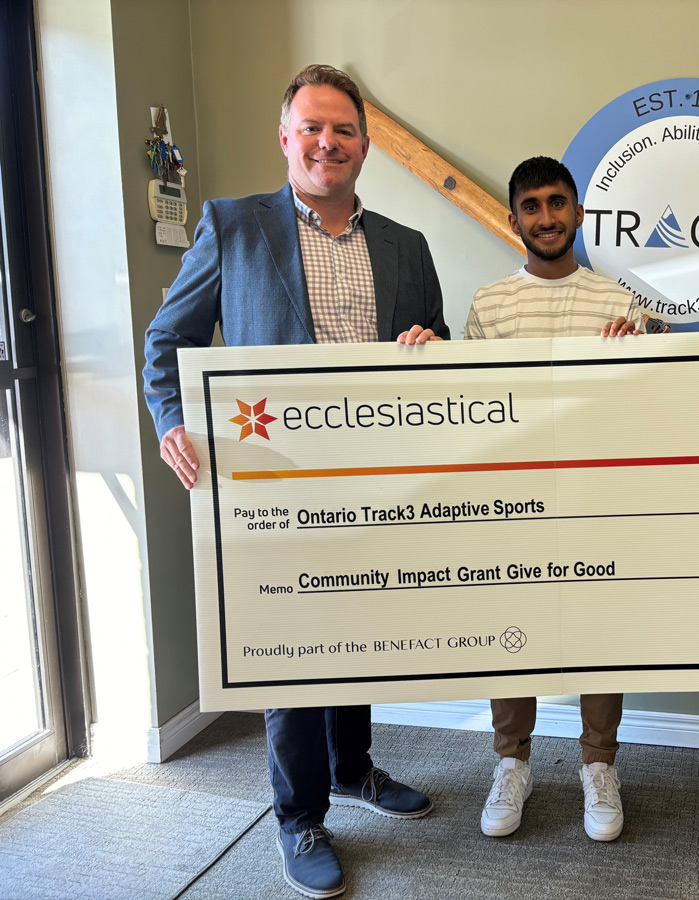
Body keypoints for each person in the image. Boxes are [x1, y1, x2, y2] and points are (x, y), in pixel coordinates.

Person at [143, 64, 448, 899]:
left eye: (342, 129)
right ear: (286, 139)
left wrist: (430, 345)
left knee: (357, 633)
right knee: (287, 652)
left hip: (375, 484)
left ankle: (355, 769)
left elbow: (440, 348)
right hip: (268, 481)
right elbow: (166, 338)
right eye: (311, 127)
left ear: (364, 145)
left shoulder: (406, 247)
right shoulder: (232, 227)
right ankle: (298, 815)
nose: (326, 142)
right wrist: (171, 419)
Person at [465, 156, 642, 842]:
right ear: (514, 219)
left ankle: (598, 765)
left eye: (557, 203)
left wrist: (639, 355)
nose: (546, 217)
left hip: (596, 493)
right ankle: (512, 762)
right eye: (532, 206)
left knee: (599, 626)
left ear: (578, 212)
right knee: (515, 628)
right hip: (514, 498)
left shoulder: (617, 301)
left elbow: (646, 404)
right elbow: (470, 407)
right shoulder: (488, 303)